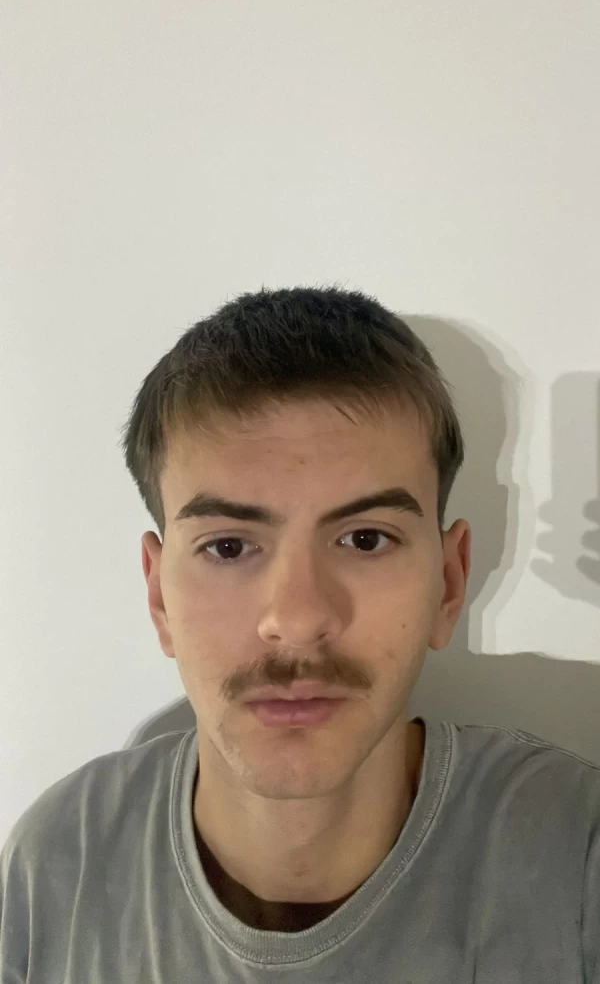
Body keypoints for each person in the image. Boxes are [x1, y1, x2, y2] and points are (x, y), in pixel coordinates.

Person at [1, 284, 599, 982]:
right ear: (159, 596)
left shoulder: (574, 851)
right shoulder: (61, 864)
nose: (297, 618)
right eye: (228, 547)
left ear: (448, 583)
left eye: (366, 538)